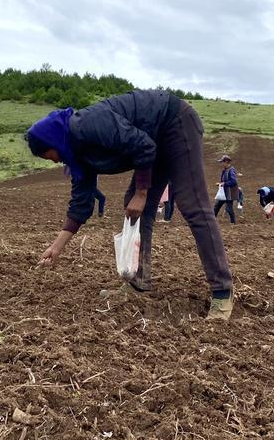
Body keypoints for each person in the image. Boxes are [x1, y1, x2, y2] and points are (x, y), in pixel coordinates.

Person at [26, 90, 234, 320]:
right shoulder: (77, 155)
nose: (54, 160)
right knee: (134, 206)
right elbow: (80, 203)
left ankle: (222, 292)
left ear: (52, 139)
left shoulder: (86, 125)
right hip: (154, 138)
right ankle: (138, 283)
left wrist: (142, 192)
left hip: (174, 122)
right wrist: (56, 248)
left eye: (49, 155)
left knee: (193, 205)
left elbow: (142, 145)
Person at [213, 155, 238, 224]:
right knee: (216, 206)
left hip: (230, 193)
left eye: (222, 162)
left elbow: (234, 181)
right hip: (224, 193)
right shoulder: (225, 170)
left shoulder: (231, 170)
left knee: (229, 208)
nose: (221, 163)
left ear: (226, 162)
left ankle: (233, 223)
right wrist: (220, 183)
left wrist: (224, 183)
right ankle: (211, 221)